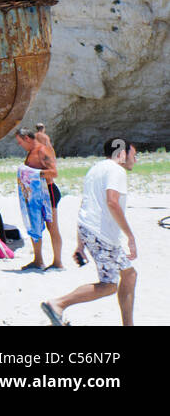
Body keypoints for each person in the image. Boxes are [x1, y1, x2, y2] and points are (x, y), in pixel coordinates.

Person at [42, 138, 137, 326]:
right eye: (134, 155)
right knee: (109, 285)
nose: (135, 159)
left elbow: (85, 204)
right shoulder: (116, 170)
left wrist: (80, 243)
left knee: (128, 274)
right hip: (102, 235)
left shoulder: (95, 169)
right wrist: (130, 236)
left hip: (89, 229)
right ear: (122, 154)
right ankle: (58, 304)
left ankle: (128, 325)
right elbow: (112, 202)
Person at [14, 128, 61, 269]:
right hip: (35, 194)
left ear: (27, 138)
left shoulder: (42, 151)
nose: (19, 145)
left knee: (52, 227)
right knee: (34, 224)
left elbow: (54, 172)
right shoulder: (31, 152)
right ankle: (38, 260)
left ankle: (58, 262)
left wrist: (32, 174)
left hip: (49, 192)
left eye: (20, 142)